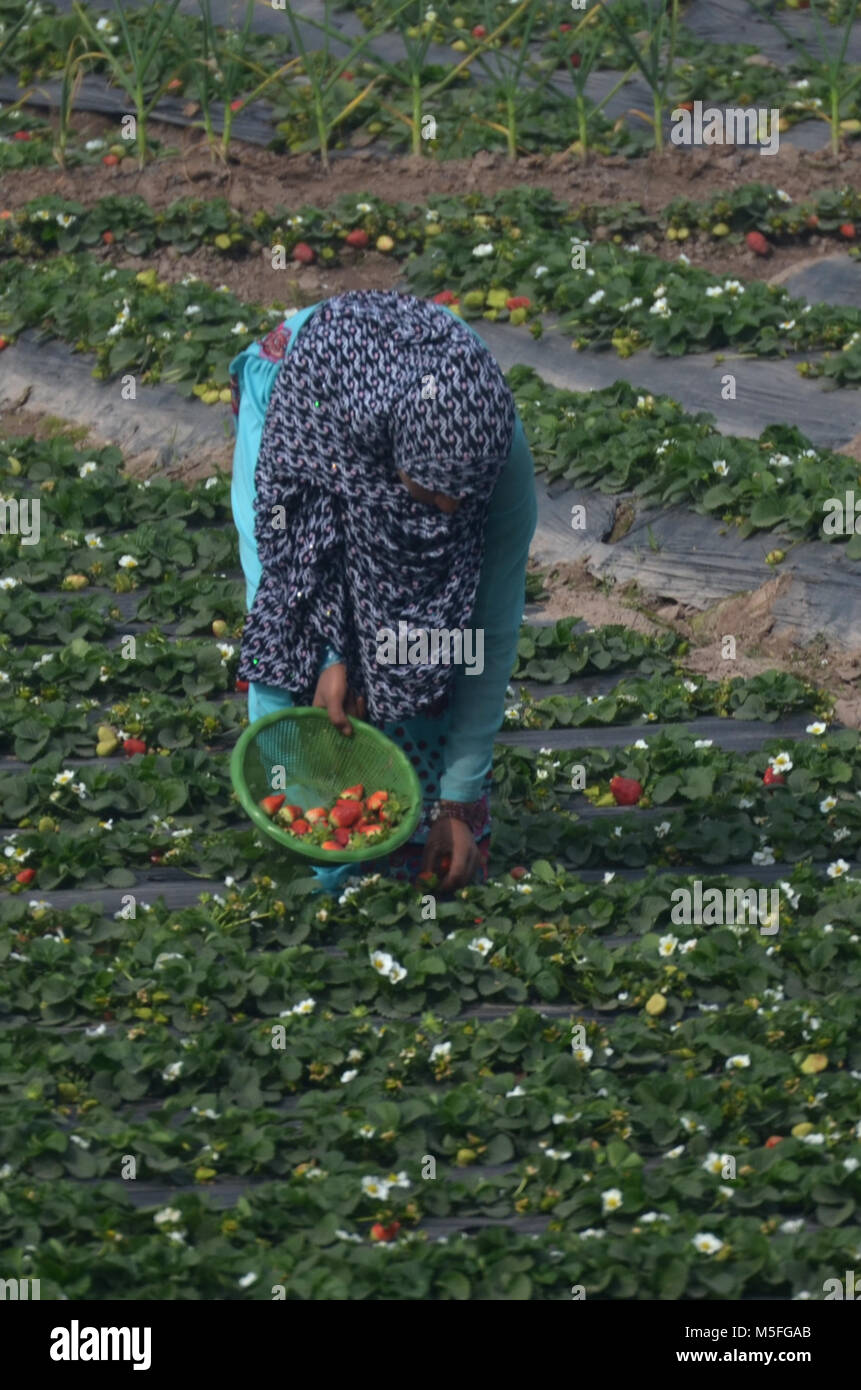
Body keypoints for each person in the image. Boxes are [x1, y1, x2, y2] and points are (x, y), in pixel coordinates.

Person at [229, 290, 537, 893]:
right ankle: (310, 816)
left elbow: (485, 636)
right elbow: (289, 579)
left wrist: (457, 802)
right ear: (389, 456)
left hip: (382, 422)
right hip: (308, 401)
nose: (448, 512)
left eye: (461, 503)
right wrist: (330, 656)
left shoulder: (492, 458)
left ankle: (415, 799)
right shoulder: (299, 428)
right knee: (290, 642)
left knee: (427, 640)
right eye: (430, 495)